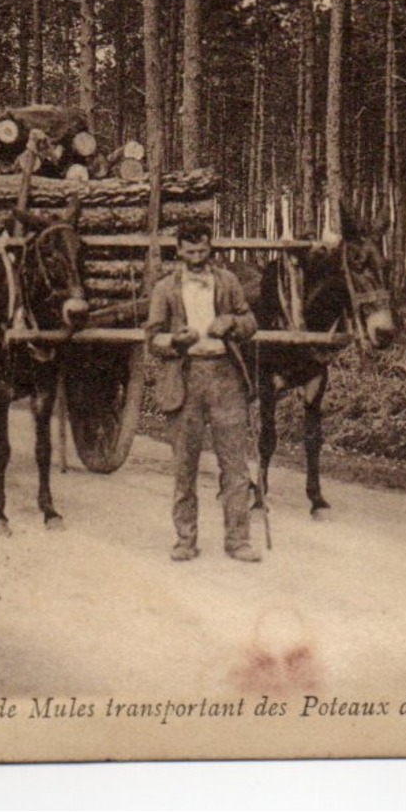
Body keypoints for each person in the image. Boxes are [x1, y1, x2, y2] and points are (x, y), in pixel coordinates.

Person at [143, 223, 261, 563]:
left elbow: (249, 321)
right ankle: (185, 540)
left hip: (226, 377)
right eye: (190, 252)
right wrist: (173, 340)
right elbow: (151, 337)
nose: (196, 258)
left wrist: (232, 324)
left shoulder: (227, 282)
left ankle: (238, 541)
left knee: (235, 466)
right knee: (184, 466)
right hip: (185, 378)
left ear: (211, 249)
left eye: (202, 251)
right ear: (178, 250)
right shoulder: (165, 288)